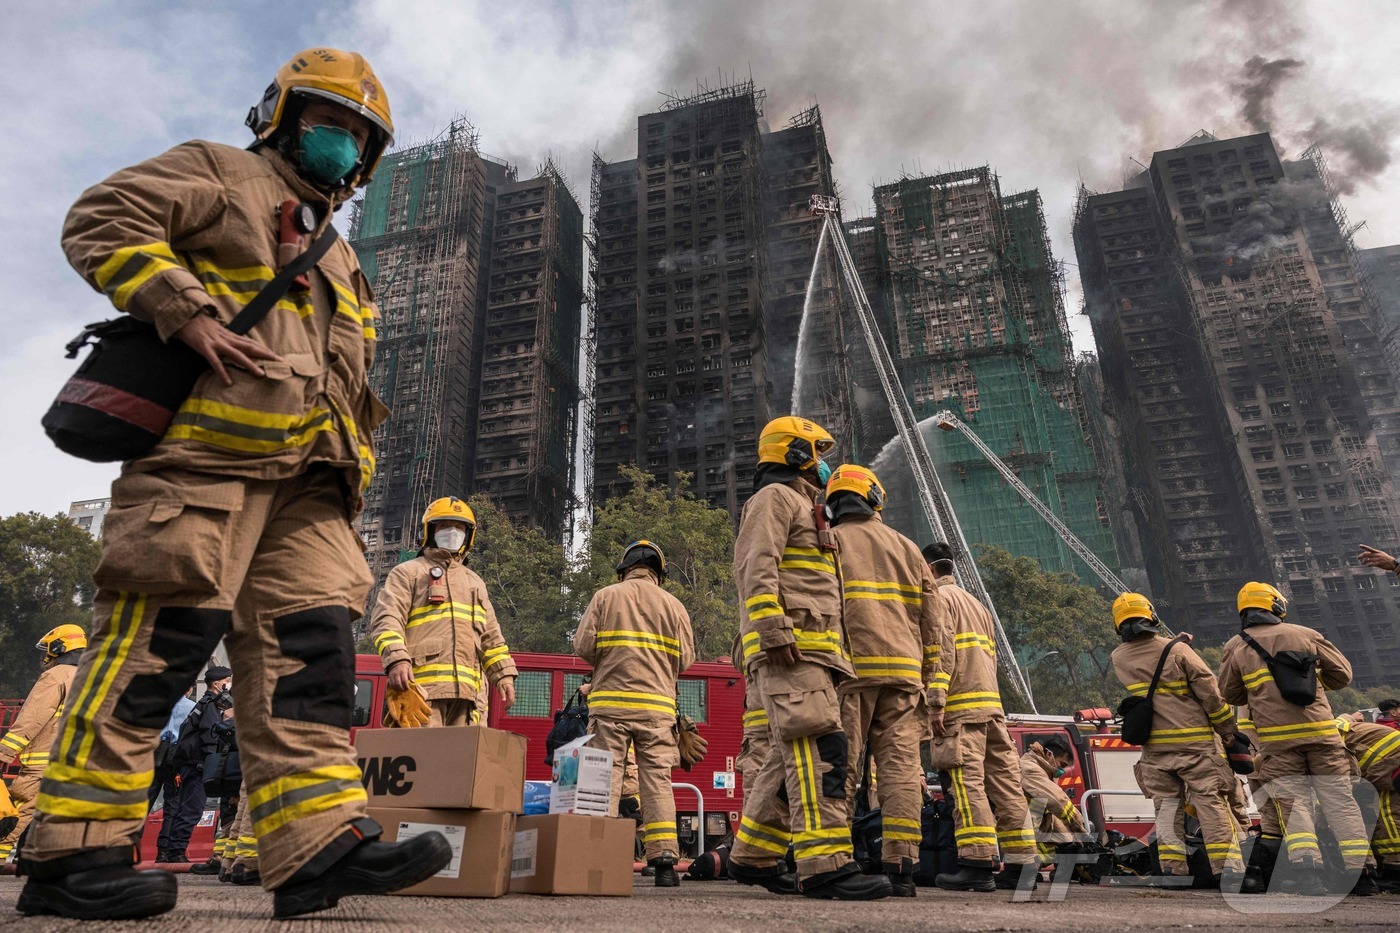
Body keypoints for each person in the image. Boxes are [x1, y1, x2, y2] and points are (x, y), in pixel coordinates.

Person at [16, 48, 452, 920]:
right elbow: (101, 216)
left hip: (311, 490)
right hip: (206, 467)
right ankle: (73, 850)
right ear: (281, 117)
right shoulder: (222, 174)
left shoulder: (341, 254)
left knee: (315, 663)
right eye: (330, 123)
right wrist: (185, 308)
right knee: (156, 652)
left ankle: (317, 844)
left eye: (360, 137)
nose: (344, 145)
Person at [729, 417, 891, 900]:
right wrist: (775, 629)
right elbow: (756, 568)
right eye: (816, 453)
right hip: (792, 648)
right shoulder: (774, 499)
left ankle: (753, 857)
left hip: (813, 650)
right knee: (821, 752)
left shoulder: (801, 505)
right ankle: (825, 866)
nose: (823, 464)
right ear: (796, 453)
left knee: (787, 756)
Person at [825, 464, 940, 897]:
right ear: (874, 497)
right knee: (902, 773)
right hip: (905, 677)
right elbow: (935, 622)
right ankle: (902, 867)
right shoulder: (908, 548)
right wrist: (929, 679)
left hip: (851, 674)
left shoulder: (828, 542)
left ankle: (837, 862)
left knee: (843, 768)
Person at [1218, 582, 1370, 895]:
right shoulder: (1306, 634)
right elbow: (1343, 675)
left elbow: (1228, 693)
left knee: (1294, 805)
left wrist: (1258, 689)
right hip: (1323, 737)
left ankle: (1308, 875)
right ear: (1275, 605)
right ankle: (1361, 874)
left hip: (1278, 743)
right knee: (1340, 802)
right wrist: (1315, 680)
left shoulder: (1236, 645)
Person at [1109, 593, 1251, 890]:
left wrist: (1175, 645)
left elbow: (1153, 662)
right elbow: (1210, 693)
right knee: (1211, 805)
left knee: (1167, 809)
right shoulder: (1178, 651)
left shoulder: (1119, 657)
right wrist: (1227, 729)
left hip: (1155, 752)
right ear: (1152, 616)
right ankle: (1228, 871)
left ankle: (1173, 871)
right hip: (1196, 747)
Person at [573, 540, 695, 887]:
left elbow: (583, 646)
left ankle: (600, 858)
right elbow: (685, 660)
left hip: (610, 706)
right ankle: (666, 863)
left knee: (605, 778)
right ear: (660, 572)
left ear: (624, 568)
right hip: (657, 710)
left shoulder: (605, 596)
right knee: (657, 782)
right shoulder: (675, 606)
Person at [923, 542, 1038, 892]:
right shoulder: (977, 604)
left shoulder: (939, 600)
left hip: (960, 710)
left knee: (965, 784)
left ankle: (976, 862)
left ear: (928, 569)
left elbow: (941, 652)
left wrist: (936, 700)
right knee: (1007, 787)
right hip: (992, 709)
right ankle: (1022, 866)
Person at [370, 496, 517, 726]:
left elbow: (491, 637)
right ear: (430, 531)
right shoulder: (408, 573)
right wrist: (396, 659)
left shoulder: (475, 583)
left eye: (459, 527)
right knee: (422, 759)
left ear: (469, 535)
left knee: (464, 761)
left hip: (469, 698)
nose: (452, 532)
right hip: (421, 692)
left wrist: (504, 675)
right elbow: (386, 619)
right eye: (444, 526)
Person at [0, 626, 86, 862]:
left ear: (60, 647)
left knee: (17, 810)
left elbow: (31, 720)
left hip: (46, 761)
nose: (46, 656)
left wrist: (3, 754)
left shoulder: (56, 676)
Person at [156, 667, 230, 865]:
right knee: (192, 810)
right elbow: (210, 735)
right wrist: (211, 762)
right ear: (217, 684)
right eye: (228, 680)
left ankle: (172, 850)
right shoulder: (211, 705)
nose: (230, 683)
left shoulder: (202, 704)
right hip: (198, 764)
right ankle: (177, 851)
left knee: (182, 808)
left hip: (186, 762)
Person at [1336, 713, 1400, 891]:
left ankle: (1395, 871)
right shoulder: (1343, 728)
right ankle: (1390, 868)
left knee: (1389, 814)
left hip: (1391, 761)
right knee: (1388, 811)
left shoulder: (1329, 738)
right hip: (1388, 762)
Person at [1018, 735, 1087, 867]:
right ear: (1049, 754)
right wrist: (1081, 831)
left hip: (1033, 823)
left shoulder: (1044, 770)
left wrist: (1070, 839)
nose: (1062, 770)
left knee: (1064, 840)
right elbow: (1058, 802)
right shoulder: (1031, 769)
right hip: (1022, 823)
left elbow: (1048, 810)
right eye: (1062, 764)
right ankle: (1025, 867)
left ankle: (1032, 867)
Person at [148, 688, 198, 811]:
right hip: (176, 753)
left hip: (155, 751)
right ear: (189, 689)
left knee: (148, 795)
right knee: (172, 799)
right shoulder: (193, 707)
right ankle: (167, 830)